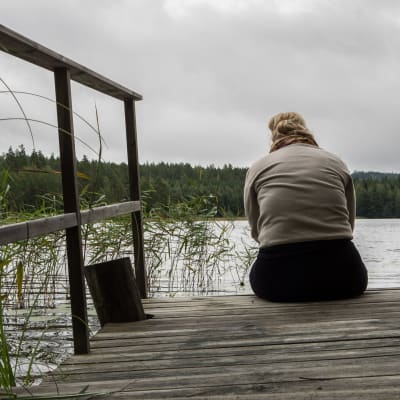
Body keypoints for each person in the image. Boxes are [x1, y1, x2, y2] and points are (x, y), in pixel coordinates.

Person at [244, 112, 368, 302]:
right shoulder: (336, 162)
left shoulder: (259, 167)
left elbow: (256, 230)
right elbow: (349, 224)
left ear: (274, 135)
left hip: (276, 282)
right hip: (345, 277)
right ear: (306, 131)